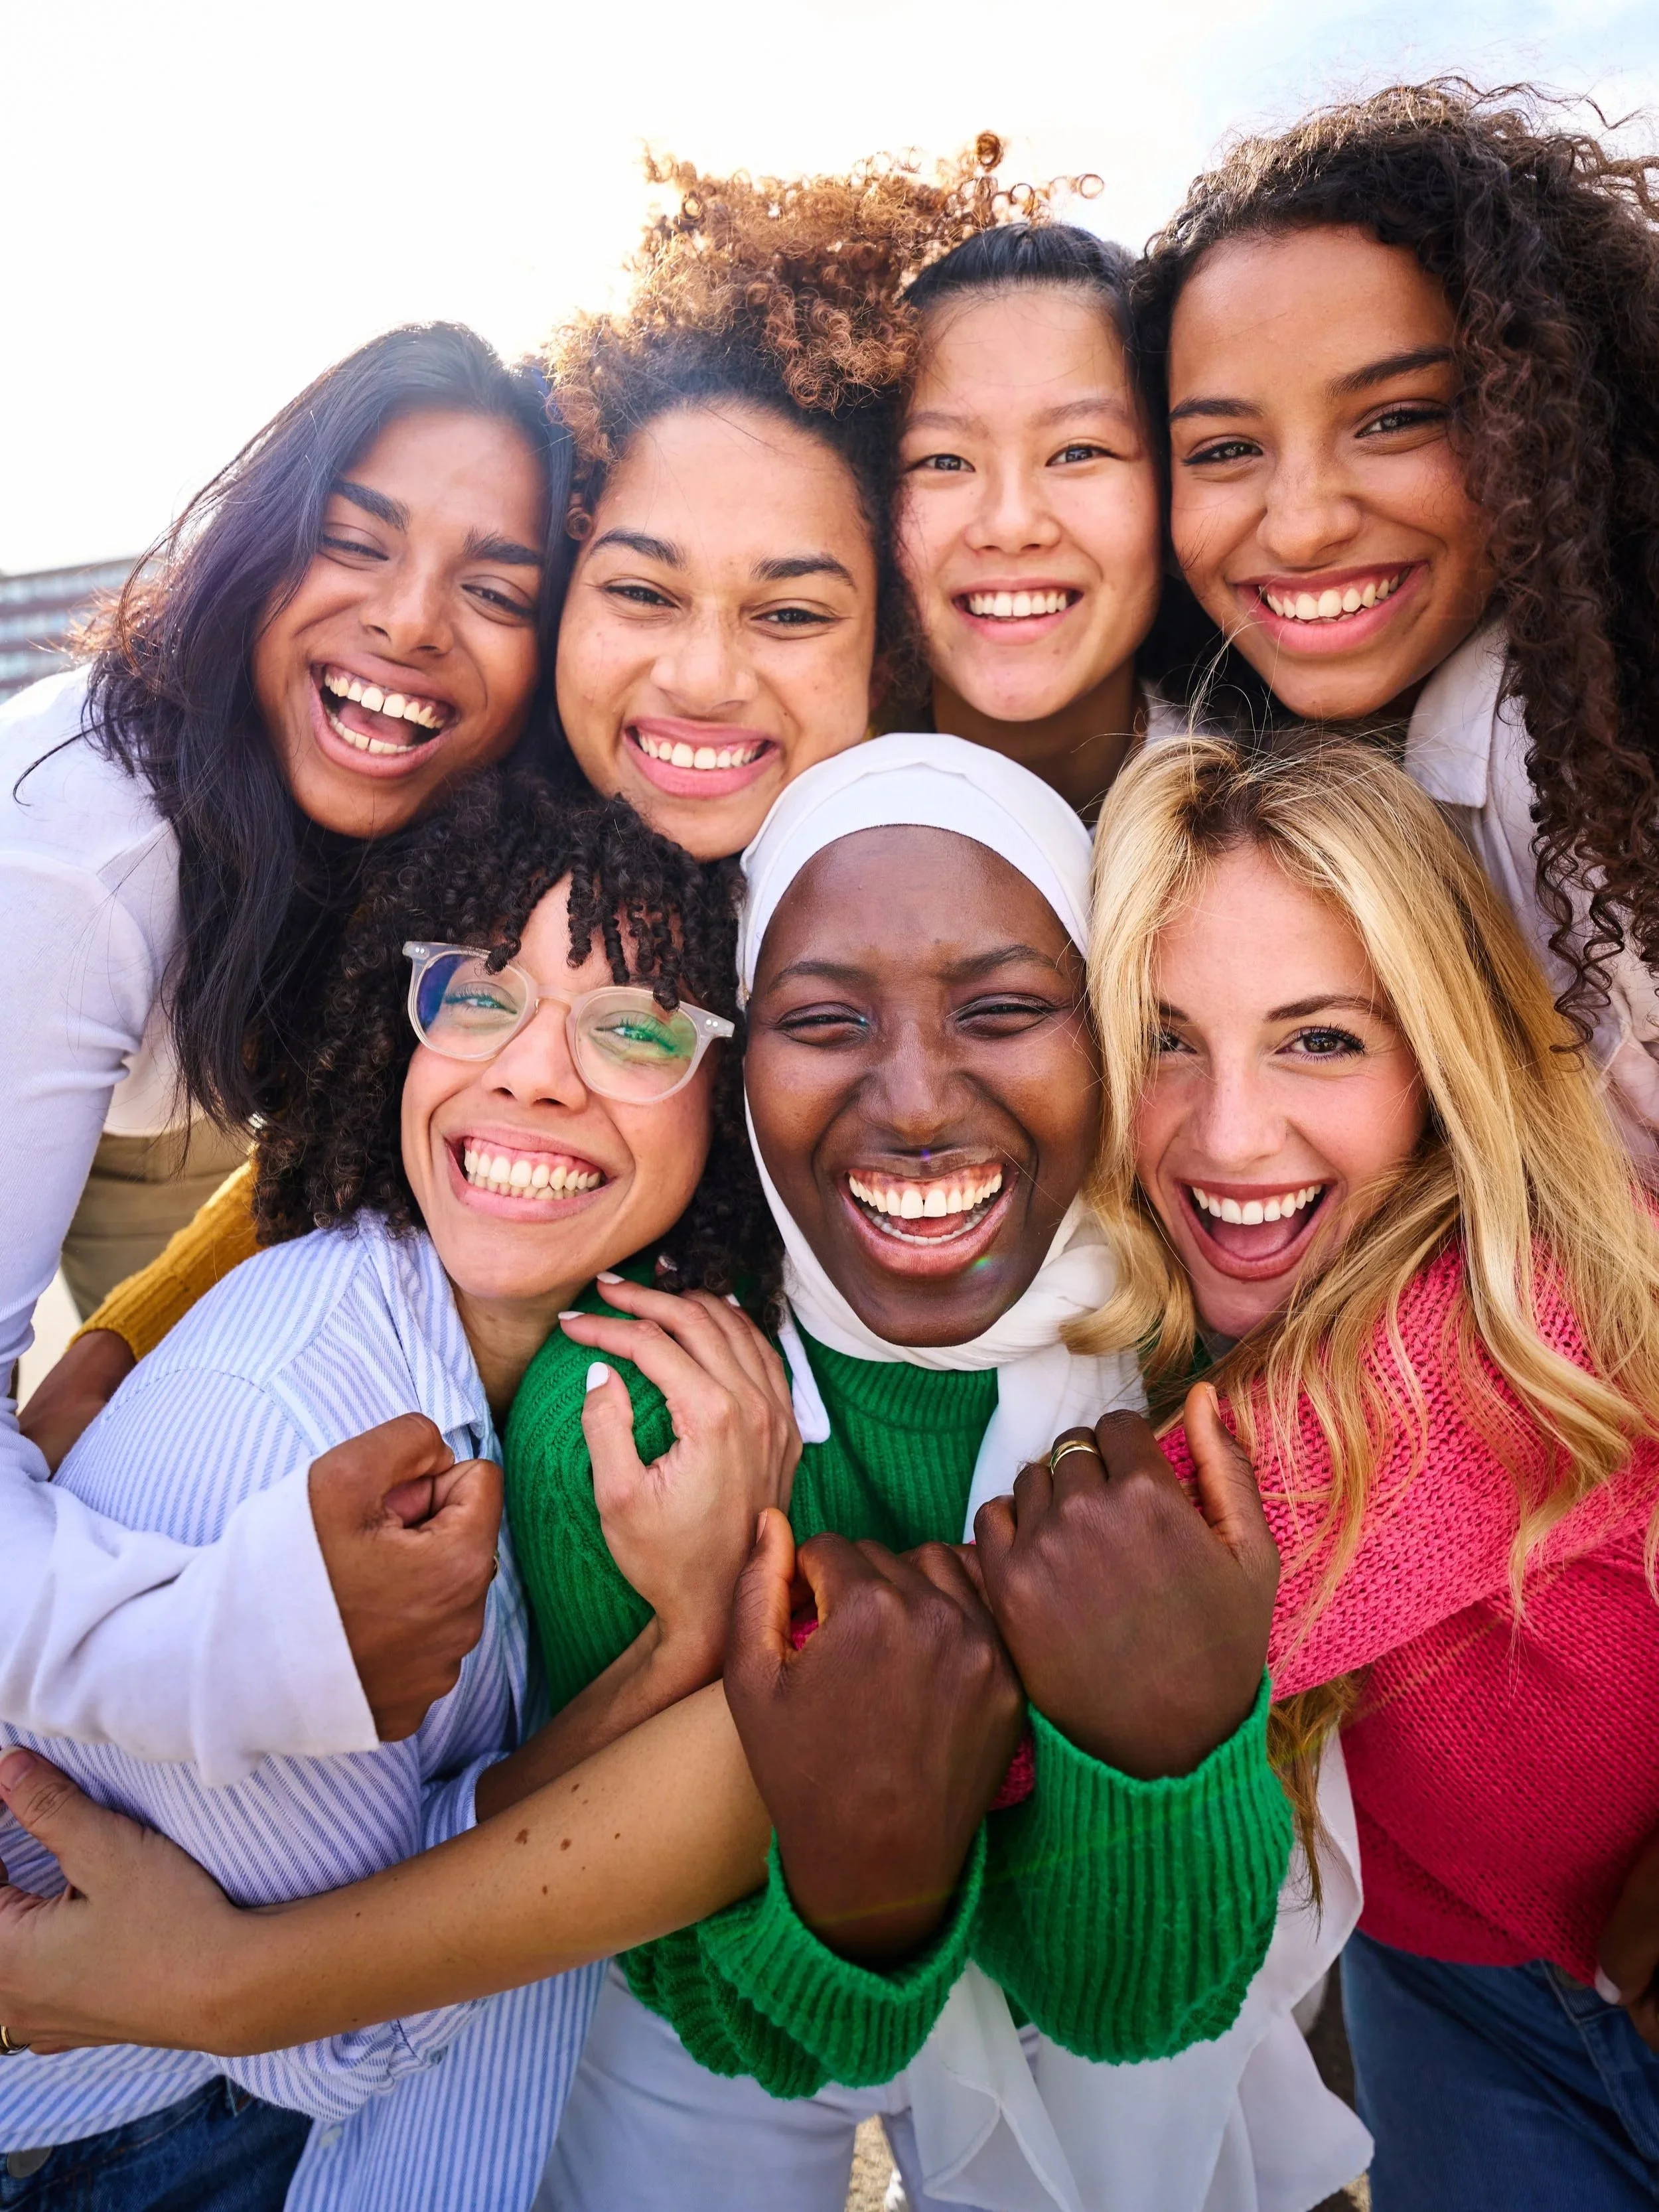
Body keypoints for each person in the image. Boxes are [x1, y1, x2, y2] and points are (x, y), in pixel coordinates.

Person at [512, 735, 1300, 2212]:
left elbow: (1139, 2009)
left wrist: (1160, 1738)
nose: (918, 1099)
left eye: (1003, 1009)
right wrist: (865, 1878)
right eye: (820, 1020)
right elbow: (710, 2002)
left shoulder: (1209, 1378)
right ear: (741, 1057)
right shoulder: (622, 1418)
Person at [0, 778, 802, 2209]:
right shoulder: (282, 1427)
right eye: (478, 996)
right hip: (135, 2141)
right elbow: (342, 2022)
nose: (536, 1074)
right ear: (398, 1028)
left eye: (634, 1025)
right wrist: (678, 1644)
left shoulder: (561, 1376)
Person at [1076, 732, 1659, 2209]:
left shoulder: (1450, 1344)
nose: (1223, 1130)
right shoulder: (1262, 1307)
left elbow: (1001, 1702)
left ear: (1437, 1054)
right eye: (1159, 1038)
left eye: (1317, 1038)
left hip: (1593, 2012)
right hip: (1437, 1974)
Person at [1, 323, 569, 1776]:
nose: (412, 619)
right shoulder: (76, 849)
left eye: (494, 589)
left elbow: (322, 1127)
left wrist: (126, 1329)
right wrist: (250, 1654)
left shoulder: (420, 830)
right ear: (253, 549)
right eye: (351, 541)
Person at [1135, 79, 1659, 1160]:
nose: (1305, 522)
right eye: (1226, 447)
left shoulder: (1542, 754)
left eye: (1396, 419)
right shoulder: (1234, 765)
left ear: (1546, 420)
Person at [893, 212, 1196, 814]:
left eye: (1078, 452)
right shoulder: (782, 808)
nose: (1010, 524)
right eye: (944, 461)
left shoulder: (1291, 825)